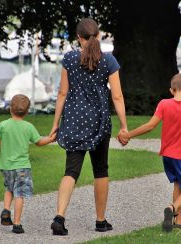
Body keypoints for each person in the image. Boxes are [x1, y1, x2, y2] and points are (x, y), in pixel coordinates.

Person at [49, 17, 127, 235]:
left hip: (73, 121)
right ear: (98, 36)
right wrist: (124, 126)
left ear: (78, 37)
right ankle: (100, 221)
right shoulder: (108, 60)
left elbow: (62, 93)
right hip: (99, 123)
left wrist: (56, 124)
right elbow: (118, 96)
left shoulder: (69, 58)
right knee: (101, 170)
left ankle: (59, 216)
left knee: (71, 171)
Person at [118, 73, 181, 232]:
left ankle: (178, 221)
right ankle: (172, 208)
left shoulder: (164, 104)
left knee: (178, 185)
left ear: (171, 90)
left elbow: (149, 126)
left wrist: (128, 135)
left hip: (167, 156)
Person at [0, 94, 57, 234]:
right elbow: (39, 142)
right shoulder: (28, 127)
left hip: (5, 167)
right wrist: (51, 139)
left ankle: (6, 210)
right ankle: (17, 224)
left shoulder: (3, 125)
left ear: (10, 109)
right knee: (19, 194)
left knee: (9, 189)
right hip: (22, 167)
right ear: (27, 111)